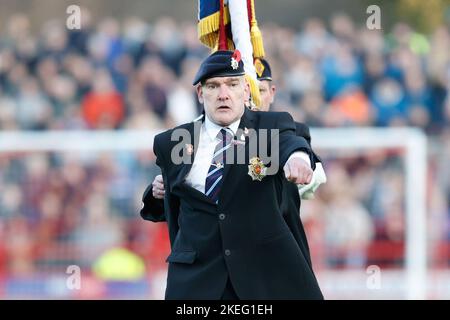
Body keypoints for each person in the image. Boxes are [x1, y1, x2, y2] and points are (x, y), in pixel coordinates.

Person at [140, 50, 323, 300]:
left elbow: (290, 144)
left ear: (246, 91)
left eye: (232, 84)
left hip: (262, 278)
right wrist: (157, 191)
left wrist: (298, 159)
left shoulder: (268, 128)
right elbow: (171, 207)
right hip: (198, 281)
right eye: (213, 86)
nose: (223, 94)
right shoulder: (173, 142)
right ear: (200, 93)